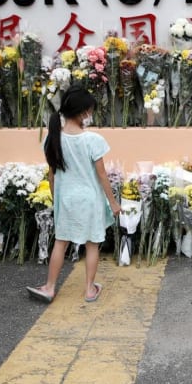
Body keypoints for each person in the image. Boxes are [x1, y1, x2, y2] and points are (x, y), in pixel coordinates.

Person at [26, 86, 121, 303]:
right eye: (89, 111)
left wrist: (56, 198)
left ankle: (49, 287)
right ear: (83, 112)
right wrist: (113, 203)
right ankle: (89, 289)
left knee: (61, 242)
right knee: (92, 244)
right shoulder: (92, 140)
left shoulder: (53, 138)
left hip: (66, 199)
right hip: (90, 200)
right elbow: (102, 175)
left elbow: (51, 175)